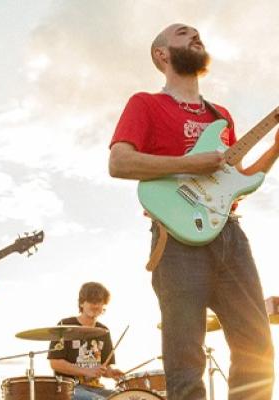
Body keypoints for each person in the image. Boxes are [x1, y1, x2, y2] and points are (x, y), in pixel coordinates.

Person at [109, 23, 278, 400]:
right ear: (162, 54)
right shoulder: (145, 104)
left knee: (257, 347)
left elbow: (237, 180)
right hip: (175, 240)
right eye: (183, 33)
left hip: (229, 236)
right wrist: (190, 163)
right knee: (186, 360)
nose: (195, 36)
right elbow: (119, 163)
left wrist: (274, 149)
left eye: (197, 33)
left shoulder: (221, 116)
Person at [48, 282, 123, 400]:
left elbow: (104, 367)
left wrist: (111, 373)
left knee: (125, 397)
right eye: (91, 301)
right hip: (70, 388)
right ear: (82, 303)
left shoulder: (104, 331)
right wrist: (86, 371)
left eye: (99, 302)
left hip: (96, 388)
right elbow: (55, 363)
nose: (95, 305)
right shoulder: (65, 325)